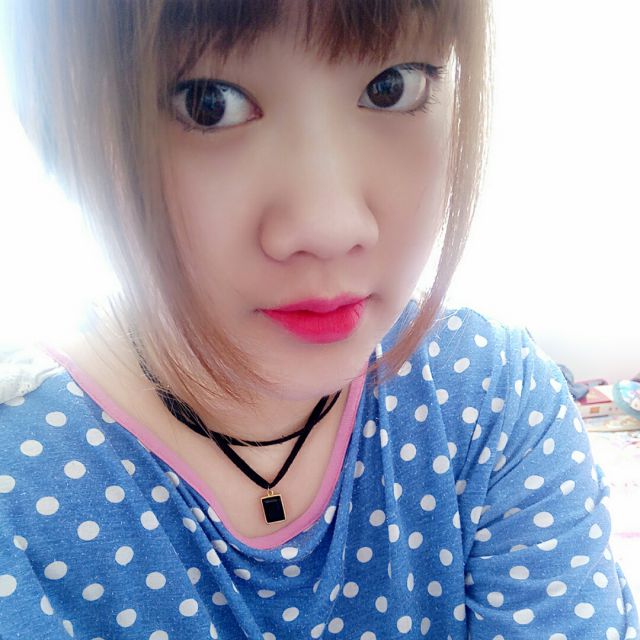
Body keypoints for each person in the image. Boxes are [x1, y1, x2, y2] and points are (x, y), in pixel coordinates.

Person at [0, 1, 637, 638]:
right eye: (208, 104)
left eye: (390, 87)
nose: (332, 227)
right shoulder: (21, 480)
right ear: (56, 122)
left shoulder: (490, 396)